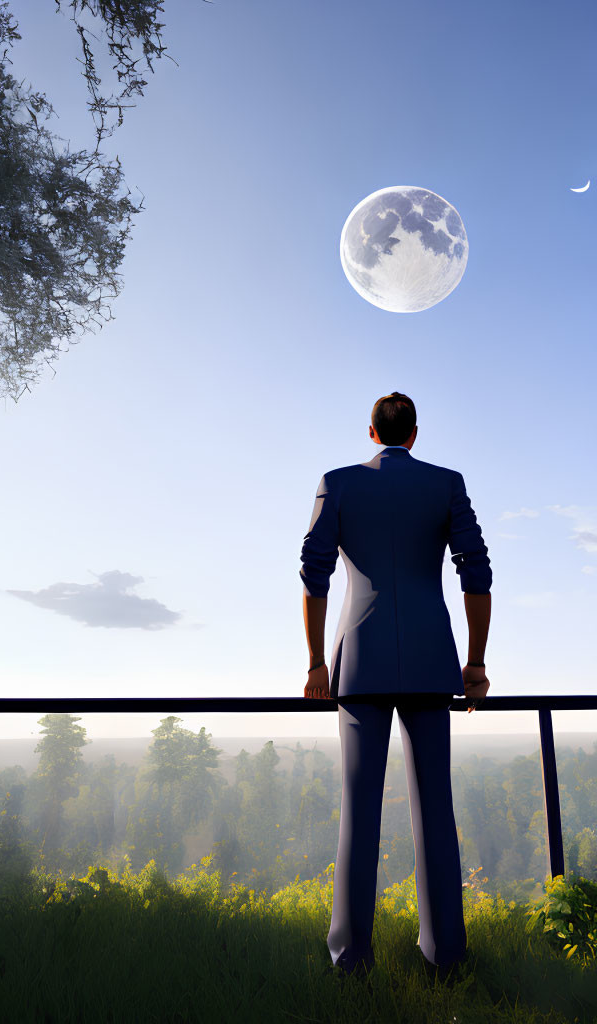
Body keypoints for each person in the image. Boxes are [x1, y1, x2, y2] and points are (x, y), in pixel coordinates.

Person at [299, 392, 492, 981]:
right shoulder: (446, 484)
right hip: (433, 660)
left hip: (360, 664)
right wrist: (476, 665)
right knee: (436, 808)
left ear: (372, 432)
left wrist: (315, 664)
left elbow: (314, 573)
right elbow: (476, 571)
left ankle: (351, 961)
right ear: (414, 434)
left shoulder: (338, 483)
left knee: (359, 812)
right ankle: (445, 957)